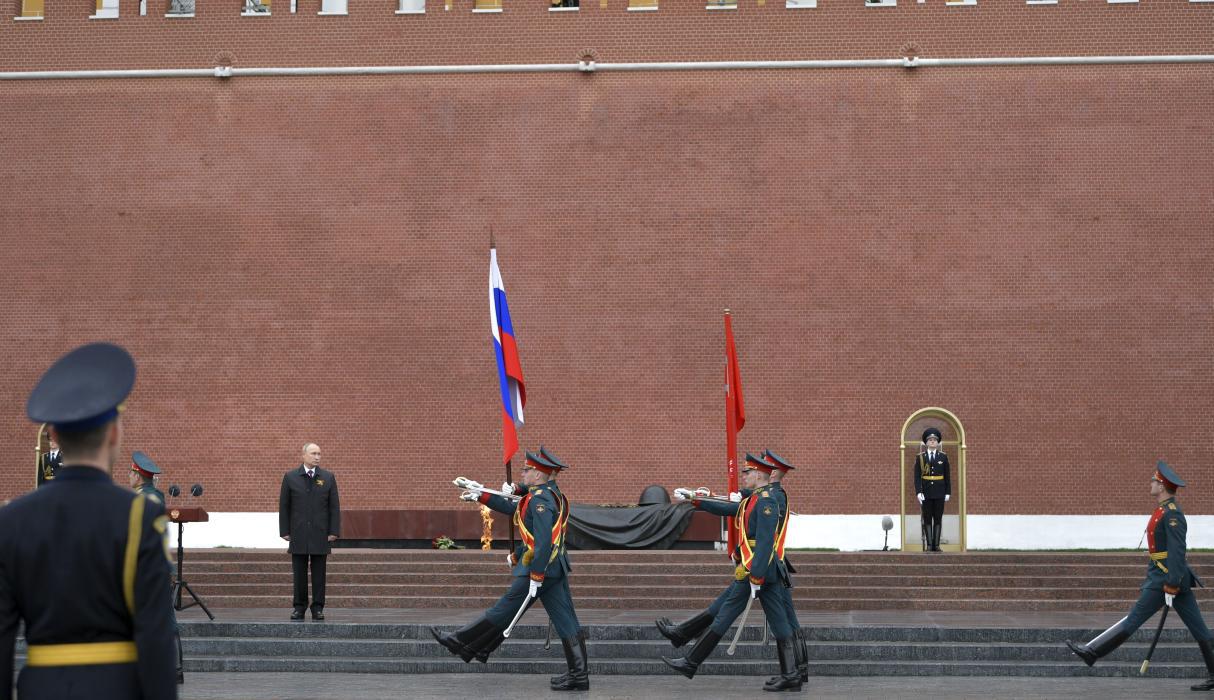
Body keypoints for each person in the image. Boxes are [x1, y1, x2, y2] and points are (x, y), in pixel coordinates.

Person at [0, 342, 178, 700]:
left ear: (54, 437)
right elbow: (156, 636)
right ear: (113, 433)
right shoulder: (139, 517)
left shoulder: (10, 521)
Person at [432, 449, 588, 692]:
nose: (522, 473)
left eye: (526, 470)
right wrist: (481, 494)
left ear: (538, 474)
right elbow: (515, 504)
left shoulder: (540, 502)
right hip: (554, 568)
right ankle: (579, 675)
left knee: (504, 608)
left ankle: (460, 642)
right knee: (566, 620)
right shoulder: (548, 493)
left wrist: (536, 575)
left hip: (542, 569)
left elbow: (544, 541)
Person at [1066, 461, 1214, 691]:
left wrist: (1172, 583)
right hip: (1167, 576)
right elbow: (1166, 547)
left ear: (1163, 485)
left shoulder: (1172, 514)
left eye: (1154, 480)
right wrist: (1155, 553)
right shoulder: (1164, 510)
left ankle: (1092, 653)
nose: (1151, 483)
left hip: (1166, 579)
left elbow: (1177, 551)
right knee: (1200, 630)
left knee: (1133, 618)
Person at [664, 452, 801, 692]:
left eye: (747, 472)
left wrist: (756, 575)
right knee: (779, 622)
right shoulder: (755, 499)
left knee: (724, 615)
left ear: (759, 474)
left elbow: (766, 542)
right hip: (762, 571)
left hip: (757, 571)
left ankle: (691, 661)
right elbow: (730, 508)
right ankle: (791, 674)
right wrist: (696, 499)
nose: (744, 476)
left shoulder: (767, 500)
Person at [279, 443, 341, 621]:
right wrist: (284, 530)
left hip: (321, 534)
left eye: (319, 454)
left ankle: (318, 608)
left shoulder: (328, 477)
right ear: (304, 455)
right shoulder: (291, 477)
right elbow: (284, 506)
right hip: (298, 533)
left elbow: (334, 507)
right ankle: (299, 607)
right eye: (313, 453)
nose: (317, 457)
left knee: (319, 574)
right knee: (298, 573)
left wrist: (334, 531)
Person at [763, 449, 808, 687]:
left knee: (786, 618)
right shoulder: (776, 493)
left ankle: (794, 673)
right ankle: (798, 671)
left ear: (772, 472)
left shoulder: (774, 496)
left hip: (774, 562)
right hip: (779, 562)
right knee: (788, 618)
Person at [913, 427, 951, 552]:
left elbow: (947, 476)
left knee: (938, 518)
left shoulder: (943, 457)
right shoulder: (920, 457)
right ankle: (929, 545)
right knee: (928, 518)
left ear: (938, 442)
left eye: (935, 440)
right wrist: (919, 491)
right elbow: (917, 476)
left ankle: (937, 545)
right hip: (926, 492)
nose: (933, 442)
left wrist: (947, 492)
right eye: (930, 440)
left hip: (939, 492)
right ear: (926, 442)